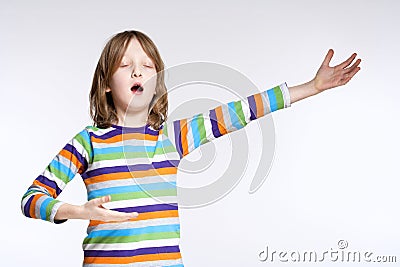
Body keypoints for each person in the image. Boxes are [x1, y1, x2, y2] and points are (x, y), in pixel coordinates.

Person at [20, 30, 361, 266]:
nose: (138, 69)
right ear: (107, 84)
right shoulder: (88, 142)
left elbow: (241, 111)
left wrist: (311, 87)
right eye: (124, 64)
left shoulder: (174, 137)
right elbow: (31, 199)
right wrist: (79, 211)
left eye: (147, 65)